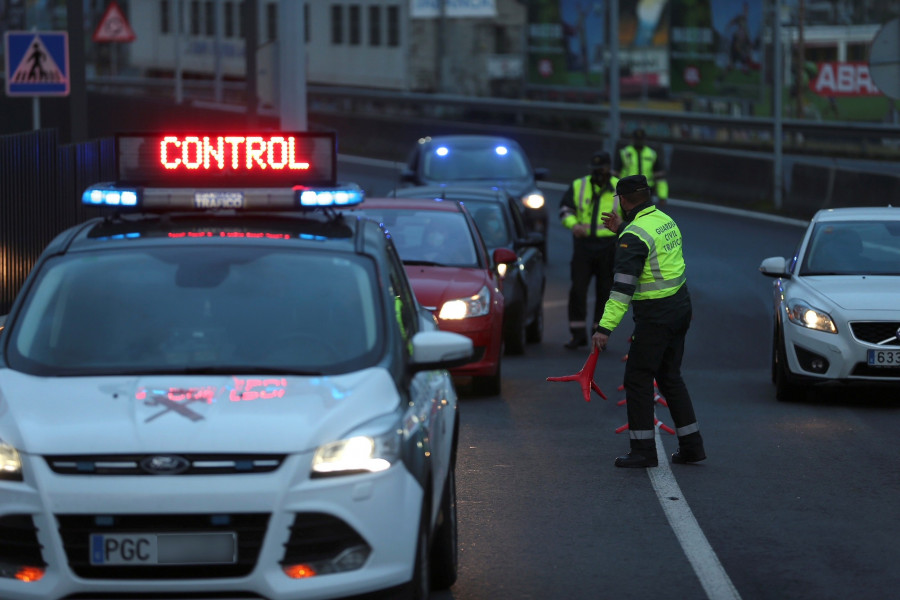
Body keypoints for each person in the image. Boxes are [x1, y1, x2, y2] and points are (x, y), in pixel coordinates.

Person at [593, 175, 705, 468]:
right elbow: (648, 247)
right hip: (680, 307)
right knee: (670, 376)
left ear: (624, 201)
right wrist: (623, 231)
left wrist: (604, 328)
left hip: (656, 316)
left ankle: (643, 450)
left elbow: (621, 290)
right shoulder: (663, 220)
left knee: (638, 379)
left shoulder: (633, 235)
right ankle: (692, 447)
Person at [558, 150, 622, 349]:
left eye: (601, 169)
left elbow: (631, 216)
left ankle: (599, 335)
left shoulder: (619, 188)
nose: (597, 174)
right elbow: (565, 210)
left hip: (608, 248)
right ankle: (577, 335)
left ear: (609, 169)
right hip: (584, 247)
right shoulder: (579, 185)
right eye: (594, 170)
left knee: (604, 292)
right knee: (578, 289)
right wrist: (573, 225)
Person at [614, 128, 668, 208]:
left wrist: (662, 195)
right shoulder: (624, 153)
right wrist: (614, 193)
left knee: (645, 216)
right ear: (632, 139)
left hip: (646, 192)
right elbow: (615, 175)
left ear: (645, 140)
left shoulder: (651, 154)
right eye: (637, 139)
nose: (639, 141)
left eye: (641, 139)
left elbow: (660, 178)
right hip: (628, 191)